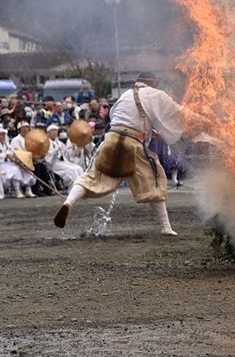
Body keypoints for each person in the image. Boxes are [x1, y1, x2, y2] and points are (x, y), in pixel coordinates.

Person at [53, 73, 201, 236]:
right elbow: (178, 111)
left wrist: (149, 131)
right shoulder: (154, 94)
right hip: (132, 143)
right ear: (152, 82)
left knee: (92, 176)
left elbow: (116, 117)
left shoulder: (125, 95)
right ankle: (165, 227)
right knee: (154, 180)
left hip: (110, 139)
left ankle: (69, 202)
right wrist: (203, 120)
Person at [44, 124, 84, 190]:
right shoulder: (46, 143)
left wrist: (72, 148)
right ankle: (72, 188)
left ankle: (80, 187)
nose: (54, 132)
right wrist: (56, 150)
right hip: (53, 163)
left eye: (56, 130)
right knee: (72, 170)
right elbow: (47, 156)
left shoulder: (59, 142)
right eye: (52, 131)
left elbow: (67, 153)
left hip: (63, 161)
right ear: (48, 133)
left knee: (78, 168)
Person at [7, 121, 37, 198]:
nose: (26, 130)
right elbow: (17, 153)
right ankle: (18, 191)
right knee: (16, 171)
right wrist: (23, 161)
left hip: (28, 162)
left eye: (27, 128)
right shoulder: (16, 140)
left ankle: (28, 190)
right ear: (19, 130)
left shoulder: (30, 139)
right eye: (23, 128)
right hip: (17, 162)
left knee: (30, 172)